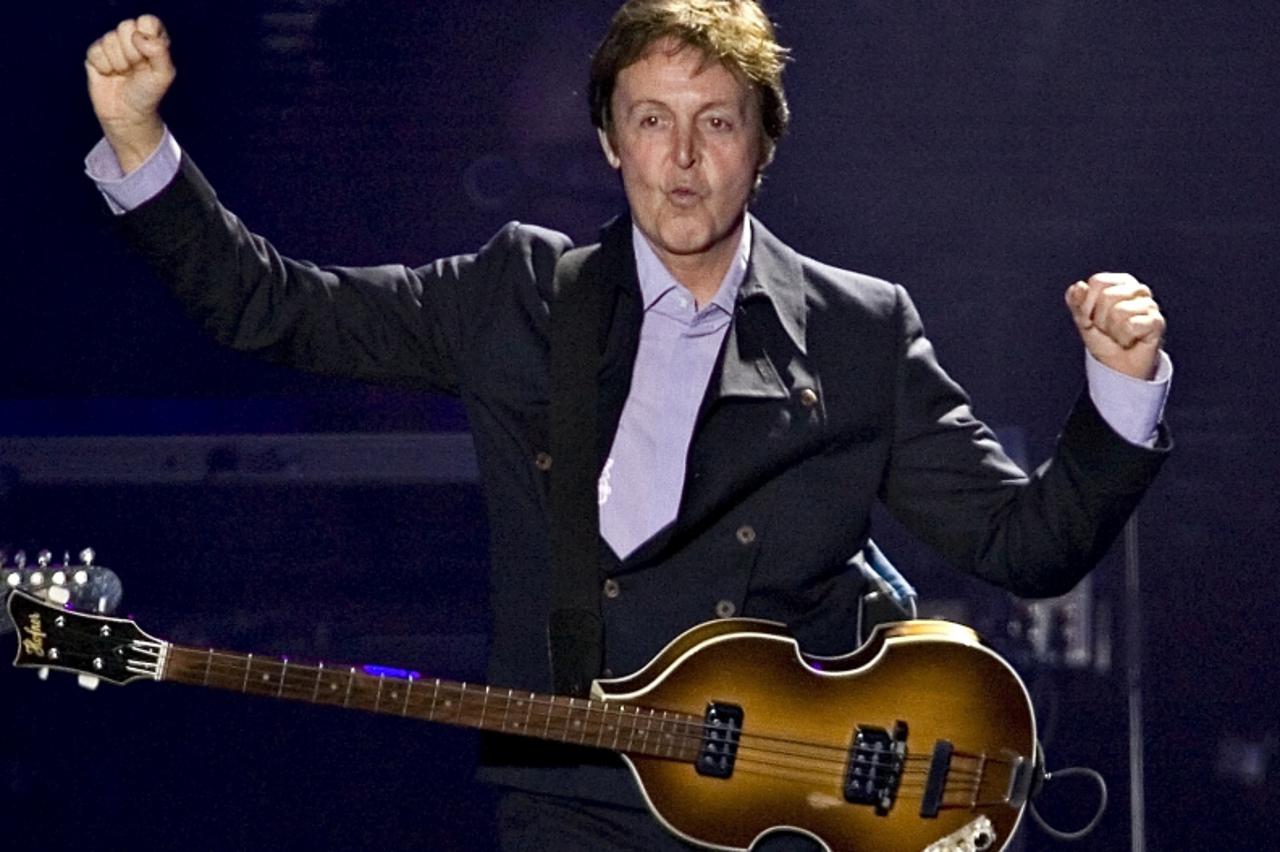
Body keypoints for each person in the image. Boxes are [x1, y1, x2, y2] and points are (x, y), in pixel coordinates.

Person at [83, 2, 1170, 849]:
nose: (682, 159)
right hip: (571, 799)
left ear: (762, 144)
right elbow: (273, 304)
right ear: (608, 140)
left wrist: (1120, 391)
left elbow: (1024, 546)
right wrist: (140, 143)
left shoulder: (857, 332)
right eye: (651, 120)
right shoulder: (518, 294)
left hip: (785, 810)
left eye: (715, 123)